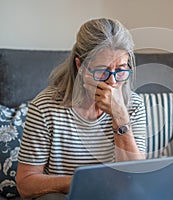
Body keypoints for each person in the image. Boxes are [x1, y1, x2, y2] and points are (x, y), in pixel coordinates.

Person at [16, 18, 146, 199]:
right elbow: (26, 184)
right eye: (102, 70)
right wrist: (81, 181)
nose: (113, 81)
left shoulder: (134, 105)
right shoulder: (45, 107)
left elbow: (136, 179)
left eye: (121, 69)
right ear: (80, 66)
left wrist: (120, 118)